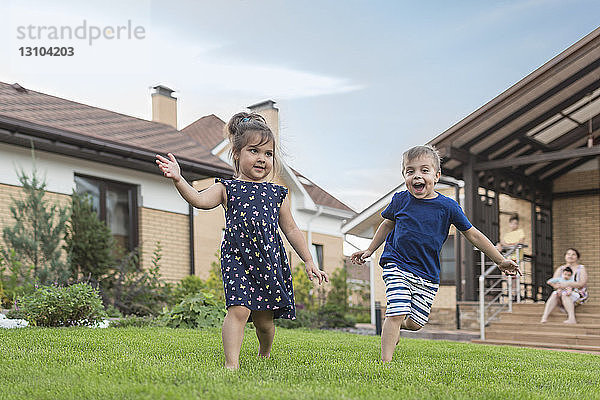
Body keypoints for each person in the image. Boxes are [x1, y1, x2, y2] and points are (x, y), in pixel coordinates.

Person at [156, 112, 328, 369]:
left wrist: (308, 260)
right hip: (238, 258)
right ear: (236, 153)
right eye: (254, 151)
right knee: (238, 309)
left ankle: (264, 352)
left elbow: (291, 229)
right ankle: (231, 365)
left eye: (268, 154)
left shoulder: (277, 194)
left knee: (264, 321)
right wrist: (180, 179)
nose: (262, 159)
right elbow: (199, 200)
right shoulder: (227, 188)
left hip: (269, 261)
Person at [350, 145, 521, 363]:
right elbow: (386, 225)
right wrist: (370, 249)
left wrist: (500, 260)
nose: (417, 176)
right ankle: (385, 363)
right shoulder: (400, 200)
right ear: (404, 175)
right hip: (397, 264)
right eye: (410, 171)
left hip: (427, 273)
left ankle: (393, 327)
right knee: (396, 311)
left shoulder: (448, 206)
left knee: (415, 323)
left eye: (424, 170)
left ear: (437, 175)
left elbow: (473, 235)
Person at [540, 248, 588, 324]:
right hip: (562, 292)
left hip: (578, 294)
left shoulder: (581, 268)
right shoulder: (561, 269)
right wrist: (559, 286)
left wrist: (568, 284)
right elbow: (554, 283)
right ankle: (544, 317)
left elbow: (582, 283)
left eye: (573, 254)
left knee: (565, 294)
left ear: (577, 257)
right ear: (565, 256)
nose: (570, 256)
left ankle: (572, 318)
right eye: (568, 254)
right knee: (554, 294)